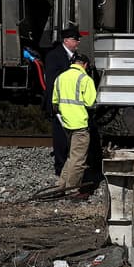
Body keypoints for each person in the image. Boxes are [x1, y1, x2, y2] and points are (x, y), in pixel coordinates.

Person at [52, 48, 97, 199]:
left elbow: (55, 102)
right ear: (84, 65)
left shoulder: (60, 78)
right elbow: (90, 102)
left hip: (66, 123)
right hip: (80, 124)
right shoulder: (85, 79)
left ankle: (61, 186)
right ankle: (72, 190)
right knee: (78, 159)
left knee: (72, 157)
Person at [42, 24, 81, 178]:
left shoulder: (76, 57)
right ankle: (60, 168)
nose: (78, 42)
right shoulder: (54, 56)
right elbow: (53, 81)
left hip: (72, 103)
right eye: (75, 39)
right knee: (60, 137)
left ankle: (69, 167)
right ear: (66, 40)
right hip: (59, 103)